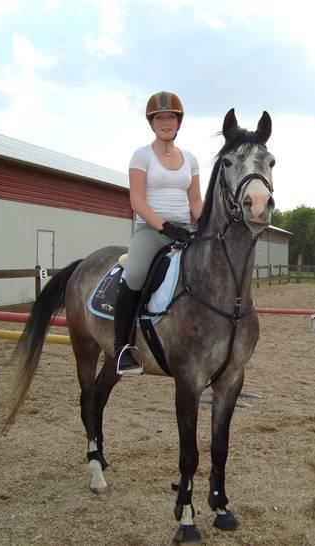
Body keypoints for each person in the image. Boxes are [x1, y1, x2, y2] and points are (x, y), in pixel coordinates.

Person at [113, 91, 204, 376]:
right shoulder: (141, 156)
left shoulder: (190, 159)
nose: (166, 122)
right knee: (137, 274)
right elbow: (137, 200)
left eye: (171, 117)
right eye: (160, 118)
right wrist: (164, 226)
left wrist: (209, 223)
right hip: (152, 231)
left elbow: (196, 202)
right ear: (152, 123)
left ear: (179, 122)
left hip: (185, 233)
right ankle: (121, 349)